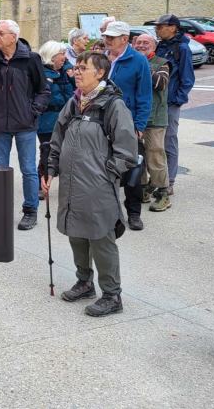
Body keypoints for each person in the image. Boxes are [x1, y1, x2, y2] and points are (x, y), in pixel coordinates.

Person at [43, 51, 138, 317]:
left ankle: (112, 295)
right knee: (77, 233)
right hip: (72, 184)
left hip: (97, 186)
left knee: (101, 238)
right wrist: (51, 167)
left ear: (100, 73)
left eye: (83, 68)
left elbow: (127, 151)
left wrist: (106, 173)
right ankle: (84, 282)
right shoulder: (74, 103)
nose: (77, 72)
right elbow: (57, 139)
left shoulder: (113, 106)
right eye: (76, 68)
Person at [0, 19, 50, 231]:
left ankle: (30, 210)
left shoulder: (31, 59)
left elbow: (44, 91)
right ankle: (1, 209)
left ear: (14, 37)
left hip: (25, 125)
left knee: (28, 170)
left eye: (1, 33)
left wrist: (33, 111)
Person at [103, 21, 152, 231]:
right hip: (103, 124)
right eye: (106, 36)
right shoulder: (101, 58)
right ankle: (108, 212)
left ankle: (134, 213)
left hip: (128, 124)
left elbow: (145, 96)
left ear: (125, 38)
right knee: (104, 169)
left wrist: (139, 126)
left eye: (111, 37)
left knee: (132, 171)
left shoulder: (138, 61)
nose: (107, 40)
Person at [153, 14, 195, 197]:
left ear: (172, 28)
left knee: (169, 141)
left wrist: (177, 100)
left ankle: (169, 181)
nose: (157, 29)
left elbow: (187, 79)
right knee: (156, 143)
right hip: (157, 102)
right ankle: (158, 180)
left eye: (160, 26)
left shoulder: (182, 48)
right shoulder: (161, 46)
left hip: (170, 103)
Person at [132, 34, 171, 212]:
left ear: (153, 46)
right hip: (135, 118)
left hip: (155, 119)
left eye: (145, 43)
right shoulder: (130, 61)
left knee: (155, 155)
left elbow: (161, 83)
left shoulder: (162, 62)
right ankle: (142, 189)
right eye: (138, 42)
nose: (141, 45)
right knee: (136, 157)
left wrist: (142, 63)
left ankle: (163, 192)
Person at [37, 40, 74, 200]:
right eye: (62, 54)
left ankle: (69, 186)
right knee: (47, 152)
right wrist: (51, 81)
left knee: (68, 154)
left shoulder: (66, 71)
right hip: (47, 122)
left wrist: (69, 72)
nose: (65, 58)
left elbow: (76, 89)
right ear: (52, 56)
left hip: (67, 119)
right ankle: (42, 184)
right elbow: (45, 98)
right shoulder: (42, 74)